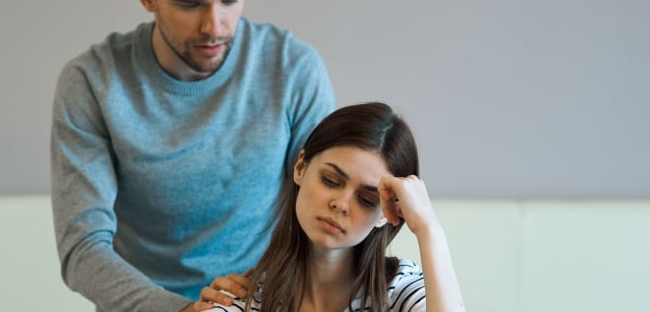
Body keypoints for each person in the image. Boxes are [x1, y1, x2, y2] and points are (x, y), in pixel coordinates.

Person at [49, 0, 336, 311]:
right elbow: (82, 247)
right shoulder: (93, 82)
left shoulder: (291, 68)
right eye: (191, 4)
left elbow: (326, 214)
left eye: (231, 0)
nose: (214, 27)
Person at [193, 102, 465, 312]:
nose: (341, 204)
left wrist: (428, 228)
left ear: (387, 213)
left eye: (367, 199)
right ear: (300, 168)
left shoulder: (400, 290)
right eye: (331, 180)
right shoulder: (242, 300)